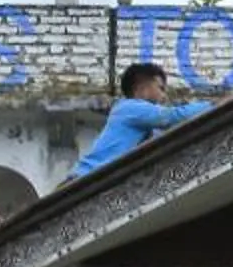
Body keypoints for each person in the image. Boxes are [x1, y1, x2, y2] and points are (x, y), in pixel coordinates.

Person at [66, 62, 215, 184]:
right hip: (83, 181)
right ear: (142, 88)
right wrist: (214, 105)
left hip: (97, 181)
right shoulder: (129, 108)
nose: (164, 96)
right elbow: (172, 116)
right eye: (160, 88)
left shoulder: (144, 124)